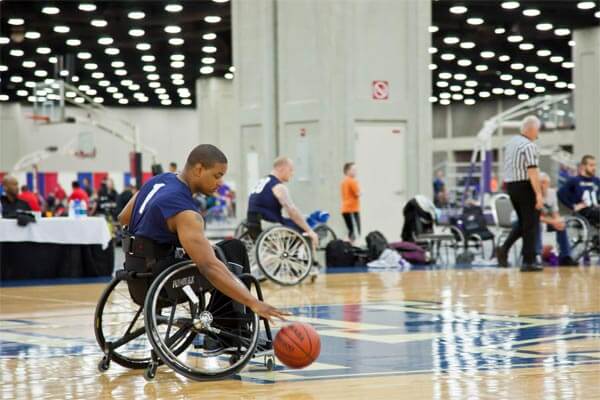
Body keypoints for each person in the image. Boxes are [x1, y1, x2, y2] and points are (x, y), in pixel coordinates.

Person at [118, 144, 287, 323]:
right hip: (161, 282)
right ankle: (230, 330)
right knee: (231, 252)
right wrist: (252, 302)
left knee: (221, 250)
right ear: (199, 169)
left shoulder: (159, 180)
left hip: (136, 273)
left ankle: (229, 327)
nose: (220, 183)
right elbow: (209, 267)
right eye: (217, 175)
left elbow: (123, 217)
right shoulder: (185, 213)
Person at [496, 116, 543, 271]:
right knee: (531, 225)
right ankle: (528, 262)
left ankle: (503, 249)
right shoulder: (529, 146)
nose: (538, 134)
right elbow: (533, 172)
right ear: (531, 129)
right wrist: (539, 194)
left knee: (523, 223)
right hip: (525, 186)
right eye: (538, 130)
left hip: (512, 187)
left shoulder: (511, 143)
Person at [247, 157, 319, 247]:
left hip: (252, 223)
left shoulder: (262, 182)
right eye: (291, 170)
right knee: (304, 228)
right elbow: (291, 211)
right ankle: (306, 258)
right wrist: (309, 231)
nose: (292, 174)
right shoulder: (278, 186)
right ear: (281, 168)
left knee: (297, 221)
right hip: (268, 223)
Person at [537, 173, 577, 266]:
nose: (541, 185)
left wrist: (558, 221)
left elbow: (555, 212)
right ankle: (538, 255)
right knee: (537, 225)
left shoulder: (551, 193)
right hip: (529, 220)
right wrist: (553, 221)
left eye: (544, 183)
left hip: (545, 219)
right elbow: (535, 217)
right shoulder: (534, 194)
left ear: (548, 184)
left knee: (561, 225)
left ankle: (565, 256)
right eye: (539, 183)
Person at [558, 155, 600, 227]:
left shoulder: (597, 180)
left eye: (595, 165)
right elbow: (560, 193)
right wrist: (573, 206)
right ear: (583, 166)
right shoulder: (575, 180)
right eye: (591, 165)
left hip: (596, 209)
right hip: (584, 211)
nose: (594, 168)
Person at [341, 162, 361, 241]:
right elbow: (357, 193)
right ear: (347, 171)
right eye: (353, 170)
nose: (355, 171)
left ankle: (349, 245)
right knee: (356, 231)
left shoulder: (343, 182)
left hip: (345, 209)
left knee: (350, 230)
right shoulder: (353, 181)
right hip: (353, 209)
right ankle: (353, 246)